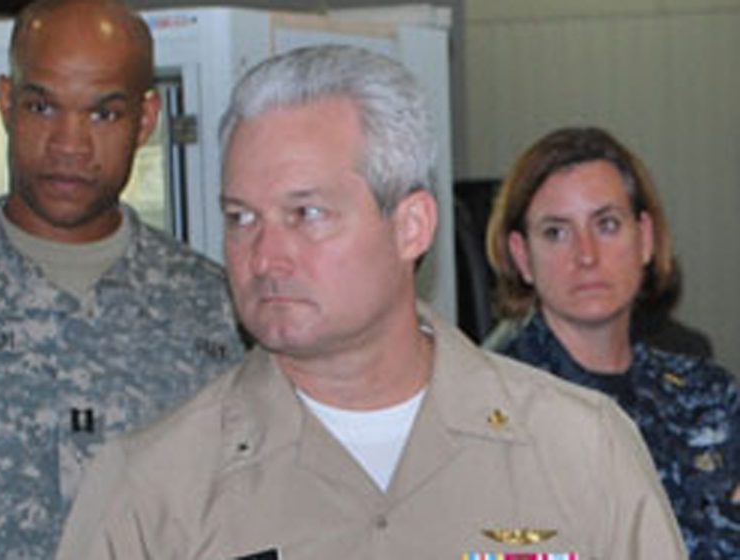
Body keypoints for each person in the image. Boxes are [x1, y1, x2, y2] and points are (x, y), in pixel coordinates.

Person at [57, 45, 686, 560]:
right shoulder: (155, 488)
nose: (265, 256)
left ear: (411, 226)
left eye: (306, 214)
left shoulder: (579, 448)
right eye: (242, 217)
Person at [0, 1, 244, 557]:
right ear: (6, 103)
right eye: (43, 106)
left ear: (145, 120)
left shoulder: (220, 311)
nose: (69, 145)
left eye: (104, 114)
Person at [485, 126, 739, 558]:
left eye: (606, 225)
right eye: (556, 232)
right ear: (522, 256)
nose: (586, 255)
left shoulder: (708, 394)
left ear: (645, 238)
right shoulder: (489, 410)